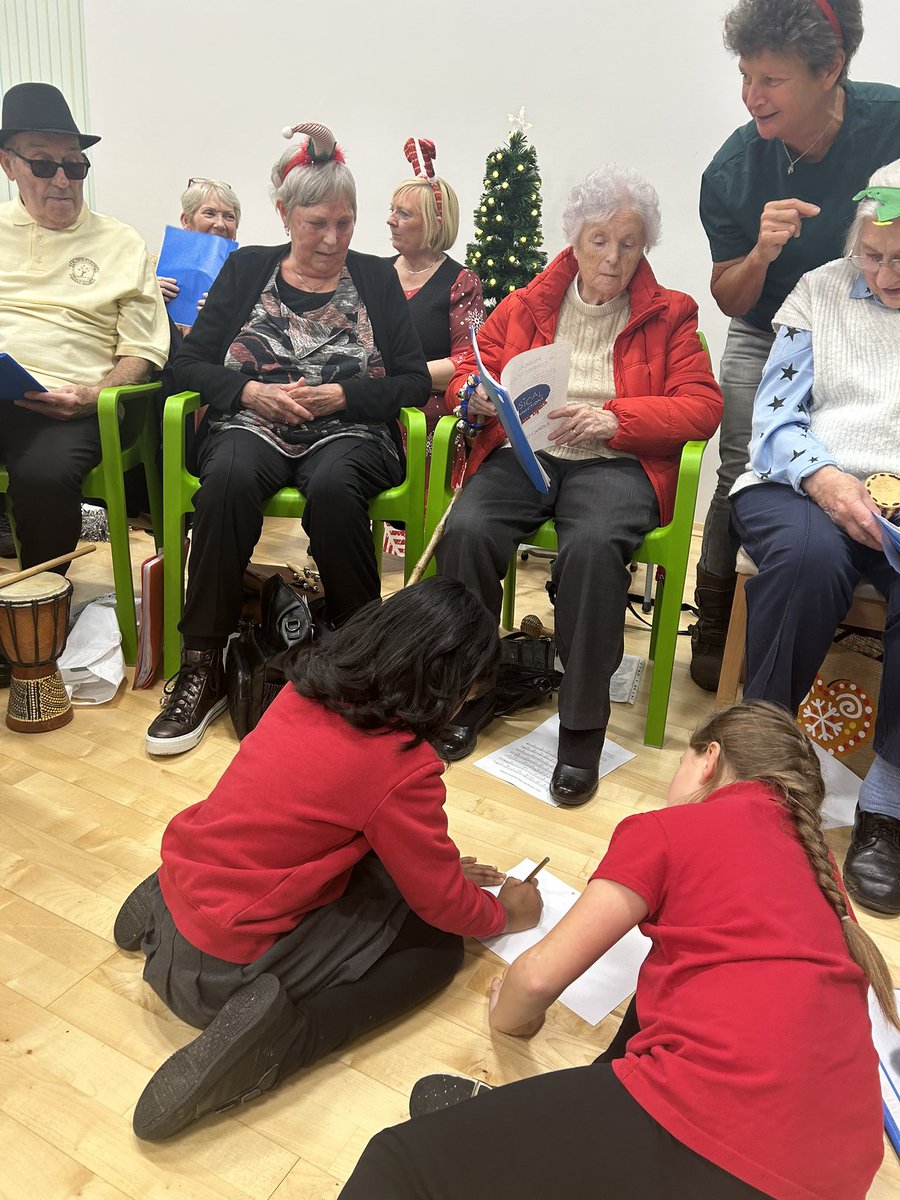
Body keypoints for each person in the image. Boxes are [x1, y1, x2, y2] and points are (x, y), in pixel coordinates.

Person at [340, 701, 894, 1200]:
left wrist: (507, 1015)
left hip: (720, 1124)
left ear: (709, 758)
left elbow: (534, 981)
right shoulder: (821, 875)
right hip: (841, 1166)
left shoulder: (673, 829)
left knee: (396, 1163)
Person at [116, 578, 543, 1141]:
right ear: (447, 689)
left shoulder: (305, 688)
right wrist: (505, 914)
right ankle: (284, 1043)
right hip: (218, 967)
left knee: (352, 856)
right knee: (434, 950)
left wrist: (429, 868)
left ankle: (164, 909)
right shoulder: (403, 765)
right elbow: (442, 907)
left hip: (190, 880)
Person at [435, 165, 722, 806]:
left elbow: (702, 405)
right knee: (467, 529)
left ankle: (581, 727)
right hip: (529, 450)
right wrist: (474, 395)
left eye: (628, 242)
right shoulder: (530, 300)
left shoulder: (670, 313)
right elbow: (465, 366)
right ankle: (472, 685)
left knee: (592, 551)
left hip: (614, 462)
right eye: (599, 240)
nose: (613, 257)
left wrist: (615, 419)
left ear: (644, 245)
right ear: (575, 239)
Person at [145, 121, 430, 756]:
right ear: (284, 213)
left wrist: (345, 395)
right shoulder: (247, 269)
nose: (332, 239)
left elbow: (412, 383)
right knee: (226, 479)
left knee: (333, 489)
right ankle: (202, 664)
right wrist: (248, 392)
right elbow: (187, 368)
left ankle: (361, 659)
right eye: (315, 223)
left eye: (345, 223)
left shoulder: (378, 280)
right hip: (254, 418)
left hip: (349, 428)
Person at [690, 0, 900, 691]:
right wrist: (758, 250)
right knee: (742, 459)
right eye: (746, 75)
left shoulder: (890, 122)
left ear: (831, 70)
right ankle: (718, 623)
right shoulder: (732, 171)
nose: (751, 96)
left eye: (771, 80)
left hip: (884, 329)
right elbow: (731, 299)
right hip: (777, 325)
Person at [730, 163, 900, 914]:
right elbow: (775, 418)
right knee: (806, 561)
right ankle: (756, 770)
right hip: (799, 479)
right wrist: (828, 480)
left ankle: (887, 806)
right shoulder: (819, 292)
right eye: (874, 254)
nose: (886, 273)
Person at [0, 82, 168, 573]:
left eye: (74, 165)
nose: (61, 179)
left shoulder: (120, 242)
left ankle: (41, 607)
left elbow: (143, 349)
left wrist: (95, 394)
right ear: (8, 164)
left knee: (44, 474)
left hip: (71, 407)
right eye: (42, 163)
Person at [387, 138, 483, 465]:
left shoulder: (461, 282)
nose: (390, 220)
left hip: (425, 411)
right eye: (392, 210)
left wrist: (401, 376)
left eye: (403, 213)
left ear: (432, 222)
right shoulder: (378, 274)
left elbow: (469, 362)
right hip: (375, 400)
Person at [157, 177, 241, 310]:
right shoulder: (152, 269)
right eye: (209, 213)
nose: (220, 224)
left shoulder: (248, 275)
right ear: (186, 221)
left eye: (229, 216)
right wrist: (148, 297)